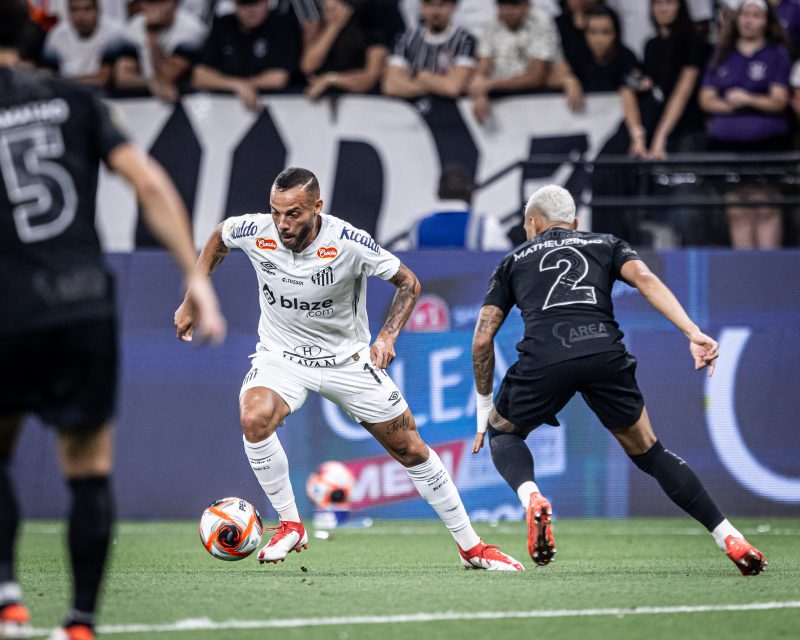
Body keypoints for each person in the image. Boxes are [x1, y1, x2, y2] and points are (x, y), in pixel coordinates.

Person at [0, 0, 226, 638]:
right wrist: (193, 278)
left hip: (8, 305)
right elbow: (149, 184)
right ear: (33, 34)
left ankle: (8, 603)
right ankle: (80, 623)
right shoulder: (75, 100)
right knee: (89, 467)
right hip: (81, 300)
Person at [174, 166, 523, 572]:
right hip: (281, 357)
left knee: (411, 449)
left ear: (318, 207)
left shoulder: (349, 241)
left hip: (347, 362)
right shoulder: (254, 230)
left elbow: (409, 283)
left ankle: (472, 547)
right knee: (254, 418)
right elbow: (219, 237)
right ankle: (290, 523)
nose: (283, 224)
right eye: (276, 212)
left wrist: (387, 337)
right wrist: (192, 299)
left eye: (294, 214)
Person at [470, 184, 767, 576]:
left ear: (531, 222)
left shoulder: (511, 262)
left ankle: (532, 500)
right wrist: (692, 332)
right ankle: (728, 535)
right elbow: (644, 278)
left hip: (546, 357)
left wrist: (484, 406)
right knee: (650, 452)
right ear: (575, 223)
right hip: (602, 352)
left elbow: (482, 339)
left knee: (503, 433)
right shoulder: (605, 243)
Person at [699, 0, 792, 249]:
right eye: (745, 15)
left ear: (766, 21)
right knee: (737, 207)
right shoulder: (722, 53)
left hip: (767, 144)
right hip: (727, 145)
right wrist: (739, 104)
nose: (750, 21)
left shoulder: (777, 54)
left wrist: (746, 98)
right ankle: (746, 270)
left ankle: (768, 268)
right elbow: (706, 100)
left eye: (756, 15)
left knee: (766, 205)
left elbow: (780, 100)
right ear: (737, 19)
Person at [191, 0, 301, 112]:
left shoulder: (282, 26)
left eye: (256, 3)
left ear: (267, 2)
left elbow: (277, 78)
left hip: (275, 111)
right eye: (244, 4)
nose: (251, 10)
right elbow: (200, 76)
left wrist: (244, 85)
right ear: (235, 6)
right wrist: (236, 85)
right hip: (223, 113)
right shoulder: (223, 25)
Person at [469, 0, 561, 123]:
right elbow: (483, 64)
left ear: (527, 5)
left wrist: (491, 84)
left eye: (515, 4)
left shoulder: (541, 21)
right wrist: (480, 93)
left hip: (536, 98)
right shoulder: (492, 22)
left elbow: (537, 76)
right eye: (503, 4)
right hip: (501, 97)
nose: (508, 10)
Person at [299, 0, 402, 100]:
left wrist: (330, 79)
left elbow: (369, 78)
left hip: (365, 102)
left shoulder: (375, 12)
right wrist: (334, 26)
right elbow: (308, 65)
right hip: (322, 102)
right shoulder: (321, 16)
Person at [113, 0, 207, 101]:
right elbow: (123, 79)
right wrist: (150, 83)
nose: (155, 9)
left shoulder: (191, 30)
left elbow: (165, 78)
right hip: (141, 97)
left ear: (175, 3)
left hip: (184, 99)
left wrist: (151, 34)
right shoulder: (133, 25)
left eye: (162, 2)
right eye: (150, 3)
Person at [382, 0, 476, 99]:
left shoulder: (465, 40)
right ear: (421, 6)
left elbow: (453, 88)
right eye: (429, 4)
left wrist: (419, 75)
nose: (435, 11)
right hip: (411, 109)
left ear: (453, 7)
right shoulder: (405, 39)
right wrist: (437, 85)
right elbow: (390, 86)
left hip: (448, 109)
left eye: (442, 5)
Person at [407, 164, 512, 250]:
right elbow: (506, 265)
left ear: (437, 193)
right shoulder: (484, 225)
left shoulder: (418, 227)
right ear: (470, 193)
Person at [42, 0, 125, 88]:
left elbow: (102, 80)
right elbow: (48, 74)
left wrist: (63, 81)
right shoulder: (57, 34)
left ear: (98, 11)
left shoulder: (115, 34)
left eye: (87, 9)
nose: (80, 16)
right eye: (74, 10)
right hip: (65, 92)